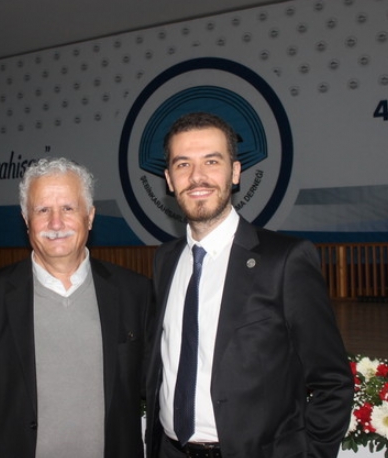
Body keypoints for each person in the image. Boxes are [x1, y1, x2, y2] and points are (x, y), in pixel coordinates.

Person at [145, 112, 353, 458]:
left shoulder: (285, 261)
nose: (197, 176)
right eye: (183, 164)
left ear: (235, 172)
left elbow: (333, 381)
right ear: (169, 179)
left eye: (212, 161)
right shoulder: (165, 260)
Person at [0, 157, 153, 458]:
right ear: (26, 219)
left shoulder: (135, 294)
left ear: (90, 216)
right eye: (42, 210)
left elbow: (157, 393)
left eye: (68, 208)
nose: (56, 223)